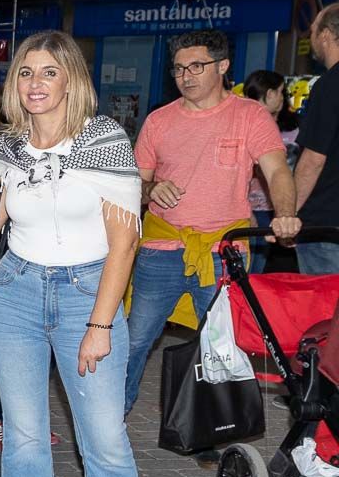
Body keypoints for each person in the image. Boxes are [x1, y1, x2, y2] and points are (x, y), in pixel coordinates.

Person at [0, 29, 169, 477]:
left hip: (89, 292)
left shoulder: (105, 141)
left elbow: (124, 243)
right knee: (25, 432)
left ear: (72, 81)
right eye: (27, 73)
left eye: (49, 72)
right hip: (14, 292)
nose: (36, 84)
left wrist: (101, 324)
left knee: (104, 431)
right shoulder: (7, 149)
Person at [124, 30, 299, 416]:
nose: (186, 76)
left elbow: (278, 172)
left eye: (197, 66)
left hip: (223, 253)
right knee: (134, 341)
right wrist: (151, 188)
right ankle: (108, 423)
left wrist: (285, 214)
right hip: (160, 251)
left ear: (222, 66)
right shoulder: (159, 120)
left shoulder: (249, 116)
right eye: (179, 69)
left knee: (223, 343)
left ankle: (215, 425)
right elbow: (134, 182)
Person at [295, 3, 339, 274]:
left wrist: (287, 213)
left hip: (326, 227)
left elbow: (313, 159)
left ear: (325, 35)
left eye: (312, 32)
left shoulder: (329, 85)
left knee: (325, 313)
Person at [242, 70, 298, 274]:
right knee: (247, 273)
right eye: (281, 92)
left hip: (275, 208)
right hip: (250, 209)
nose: (282, 98)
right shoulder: (246, 123)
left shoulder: (289, 127)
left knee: (258, 273)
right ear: (270, 93)